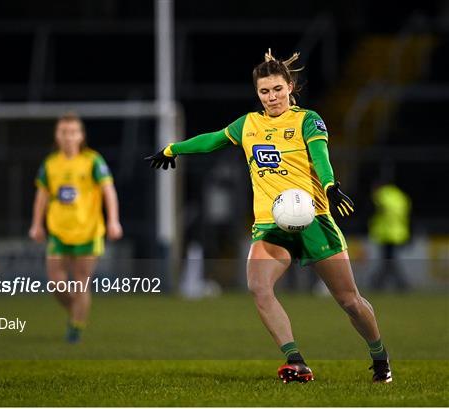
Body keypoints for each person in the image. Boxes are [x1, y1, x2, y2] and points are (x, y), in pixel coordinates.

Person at [145, 49, 392, 383]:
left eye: (277, 89)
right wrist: (173, 149)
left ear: (290, 86)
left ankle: (379, 358)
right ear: (257, 93)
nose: (271, 96)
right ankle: (297, 362)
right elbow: (212, 140)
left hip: (314, 219)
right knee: (259, 288)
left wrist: (331, 186)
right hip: (271, 224)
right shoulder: (249, 124)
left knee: (349, 300)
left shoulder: (308, 119)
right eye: (264, 91)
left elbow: (320, 155)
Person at [29, 112, 123, 343]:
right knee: (56, 285)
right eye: (64, 132)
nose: (68, 137)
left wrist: (113, 220)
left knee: (81, 282)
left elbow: (108, 191)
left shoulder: (93, 161)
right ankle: (76, 309)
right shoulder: (50, 164)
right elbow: (41, 196)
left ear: (81, 135)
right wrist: (36, 224)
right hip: (59, 232)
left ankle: (76, 327)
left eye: (73, 132)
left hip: (88, 233)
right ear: (57, 135)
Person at [368, 180, 411, 291]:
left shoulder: (381, 196)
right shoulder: (399, 196)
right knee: (389, 260)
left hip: (386, 233)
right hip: (399, 233)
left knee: (388, 261)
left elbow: (375, 211)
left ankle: (396, 283)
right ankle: (383, 283)